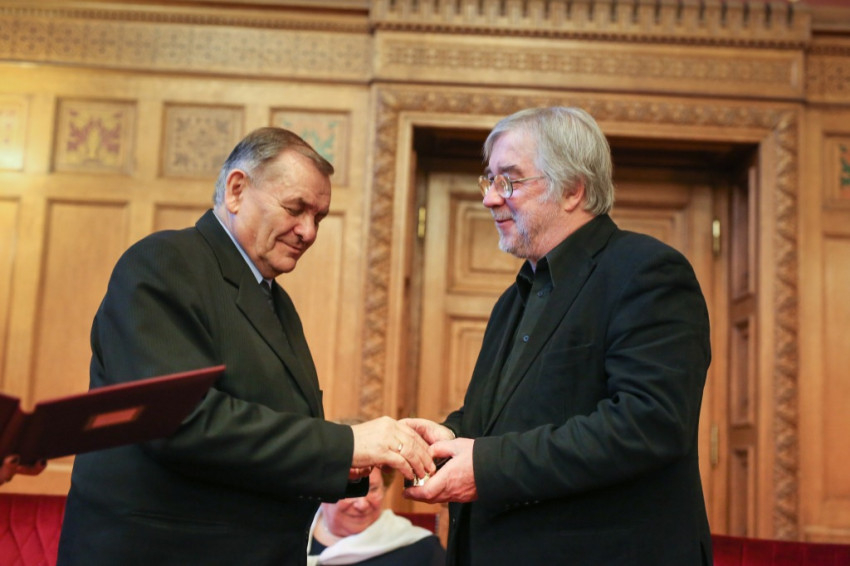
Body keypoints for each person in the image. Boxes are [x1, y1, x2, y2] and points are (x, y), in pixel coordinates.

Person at [57, 127, 435, 566]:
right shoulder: (165, 263)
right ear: (237, 190)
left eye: (319, 217)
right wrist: (345, 444)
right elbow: (179, 421)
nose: (308, 231)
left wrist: (347, 466)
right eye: (295, 209)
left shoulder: (275, 299)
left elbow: (272, 429)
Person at [403, 106, 713, 565]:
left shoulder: (647, 271)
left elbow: (649, 424)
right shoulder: (514, 298)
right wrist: (447, 437)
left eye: (509, 181)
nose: (490, 198)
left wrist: (486, 467)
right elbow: (501, 420)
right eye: (489, 180)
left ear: (572, 190)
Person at [307, 466, 446, 566]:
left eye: (373, 489)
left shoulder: (421, 549)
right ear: (322, 493)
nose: (362, 505)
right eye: (350, 491)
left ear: (384, 487)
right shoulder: (296, 536)